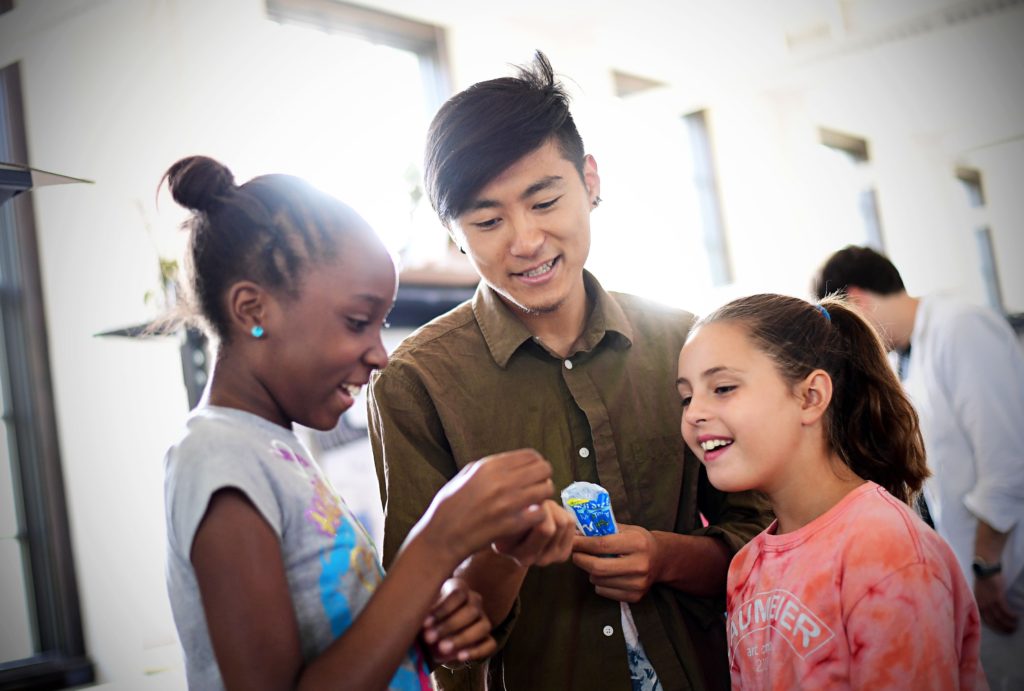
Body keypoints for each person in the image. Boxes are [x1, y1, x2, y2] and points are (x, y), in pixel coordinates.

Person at [367, 52, 771, 691]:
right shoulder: (416, 384)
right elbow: (429, 633)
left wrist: (666, 557)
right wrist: (504, 560)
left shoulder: (679, 343)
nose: (525, 240)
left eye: (545, 200)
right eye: (488, 220)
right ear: (454, 233)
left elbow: (766, 534)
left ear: (590, 180)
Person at [160, 155, 564, 690]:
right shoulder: (218, 457)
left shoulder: (274, 450)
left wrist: (420, 630)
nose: (380, 355)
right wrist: (435, 543)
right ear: (253, 311)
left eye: (382, 326)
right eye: (357, 322)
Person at [676, 293, 987, 689]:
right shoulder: (746, 566)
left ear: (810, 397)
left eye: (722, 388)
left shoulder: (887, 554)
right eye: (686, 396)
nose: (693, 413)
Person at [813, 245, 1024, 690]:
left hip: (1005, 566)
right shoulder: (906, 355)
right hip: (978, 569)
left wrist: (986, 565)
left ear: (858, 300)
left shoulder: (960, 327)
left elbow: (1007, 460)